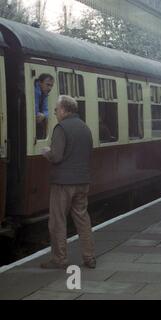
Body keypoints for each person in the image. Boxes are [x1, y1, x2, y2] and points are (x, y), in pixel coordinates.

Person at [41, 95, 96, 269]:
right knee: (82, 219)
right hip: (82, 181)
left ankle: (59, 259)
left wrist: (46, 152)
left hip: (63, 183)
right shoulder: (85, 127)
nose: (55, 112)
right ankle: (89, 257)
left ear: (64, 110)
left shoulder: (61, 128)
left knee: (58, 221)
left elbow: (56, 156)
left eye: (57, 109)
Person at [35, 74, 55, 140]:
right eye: (48, 84)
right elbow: (35, 112)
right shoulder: (36, 91)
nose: (50, 88)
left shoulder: (44, 93)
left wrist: (43, 115)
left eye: (51, 85)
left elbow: (46, 110)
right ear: (40, 83)